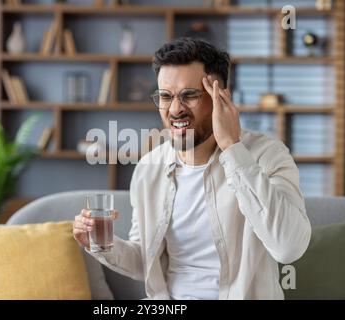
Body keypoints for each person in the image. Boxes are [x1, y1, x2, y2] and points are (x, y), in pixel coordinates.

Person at [73, 37, 311, 300]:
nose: (175, 109)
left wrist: (232, 147)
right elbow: (145, 259)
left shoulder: (267, 155)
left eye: (189, 95)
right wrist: (101, 244)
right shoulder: (148, 169)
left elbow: (289, 248)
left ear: (221, 97)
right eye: (165, 96)